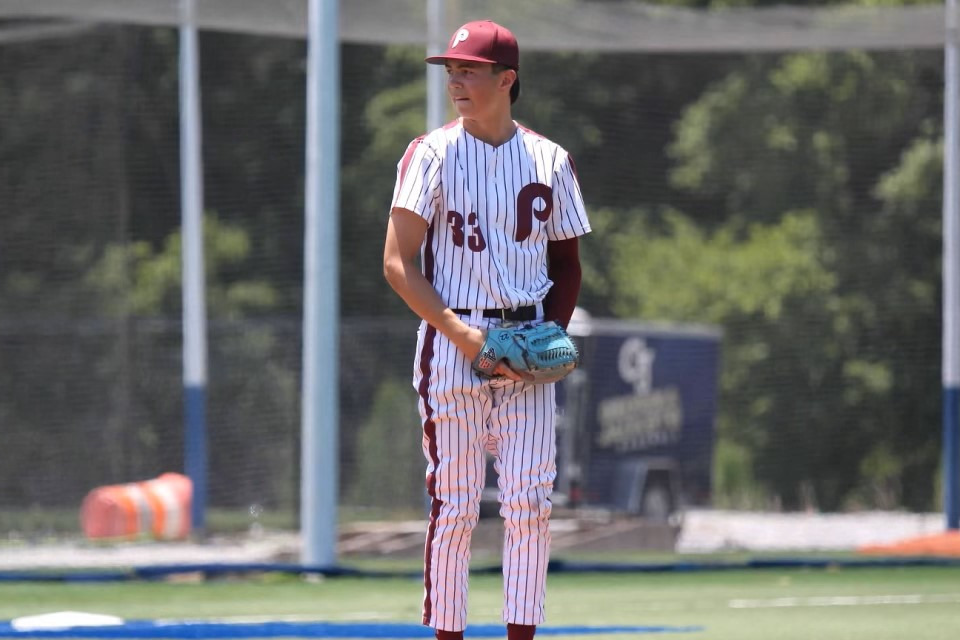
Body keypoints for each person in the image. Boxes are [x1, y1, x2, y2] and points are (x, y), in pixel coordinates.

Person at [382, 19, 591, 640]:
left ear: (507, 79)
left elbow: (567, 264)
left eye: (469, 70)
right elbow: (397, 263)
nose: (456, 82)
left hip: (525, 342)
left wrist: (551, 335)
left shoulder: (550, 160)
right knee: (455, 507)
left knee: (531, 503)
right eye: (452, 70)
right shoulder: (431, 154)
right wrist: (462, 335)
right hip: (453, 341)